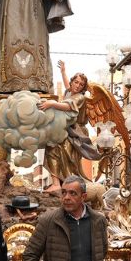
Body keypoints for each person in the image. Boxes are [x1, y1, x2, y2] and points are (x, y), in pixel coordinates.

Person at [40, 62, 100, 195]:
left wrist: (52, 104)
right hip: (65, 129)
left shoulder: (80, 97)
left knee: (65, 155)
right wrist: (63, 72)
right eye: (76, 82)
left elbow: (68, 106)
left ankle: (67, 184)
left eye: (81, 84)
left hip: (76, 132)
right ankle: (57, 183)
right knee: (51, 147)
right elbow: (67, 87)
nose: (77, 86)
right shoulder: (69, 92)